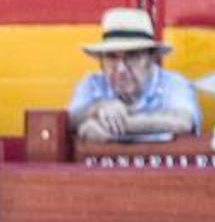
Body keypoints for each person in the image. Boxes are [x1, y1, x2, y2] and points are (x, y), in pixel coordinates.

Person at [69, 8, 199, 143]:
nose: (120, 69)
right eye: (112, 57)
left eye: (132, 56)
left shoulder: (174, 83)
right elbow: (68, 121)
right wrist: (97, 108)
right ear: (101, 62)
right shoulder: (91, 84)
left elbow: (184, 121)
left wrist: (111, 126)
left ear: (151, 58)